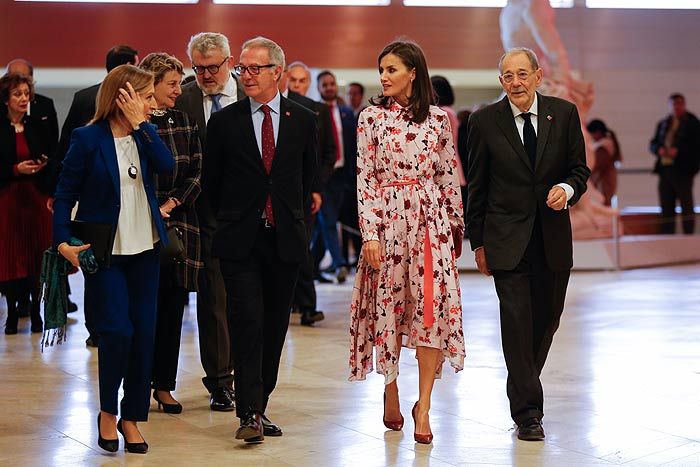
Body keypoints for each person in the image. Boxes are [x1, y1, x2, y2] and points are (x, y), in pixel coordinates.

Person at [466, 47, 590, 441]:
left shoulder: (564, 114)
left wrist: (568, 188)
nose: (515, 83)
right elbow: (477, 186)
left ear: (538, 76)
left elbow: (580, 169)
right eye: (507, 76)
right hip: (507, 241)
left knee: (546, 321)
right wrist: (479, 242)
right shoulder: (485, 121)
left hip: (552, 239)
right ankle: (528, 412)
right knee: (517, 324)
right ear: (500, 80)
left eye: (522, 74)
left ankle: (522, 381)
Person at [349, 40, 465, 445]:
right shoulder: (370, 118)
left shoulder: (438, 120)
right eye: (381, 69)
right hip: (388, 221)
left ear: (413, 72)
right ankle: (391, 388)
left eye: (392, 69)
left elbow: (448, 175)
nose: (384, 76)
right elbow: (365, 177)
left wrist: (455, 227)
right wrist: (370, 233)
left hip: (429, 222)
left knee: (430, 311)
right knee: (391, 308)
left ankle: (426, 404)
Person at [53, 65, 174, 454]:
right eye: (146, 96)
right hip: (106, 254)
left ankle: (132, 416)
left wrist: (142, 125)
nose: (152, 103)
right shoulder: (87, 138)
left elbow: (168, 168)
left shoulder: (146, 135)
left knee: (143, 334)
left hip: (146, 251)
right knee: (117, 332)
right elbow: (65, 193)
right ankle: (107, 411)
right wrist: (62, 243)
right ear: (123, 97)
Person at [204, 36, 317, 443]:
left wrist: (287, 216)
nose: (246, 76)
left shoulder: (304, 120)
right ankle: (248, 411)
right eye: (243, 69)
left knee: (274, 327)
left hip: (284, 240)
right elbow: (212, 185)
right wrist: (234, 219)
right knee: (247, 321)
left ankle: (260, 404)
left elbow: (306, 182)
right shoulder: (225, 121)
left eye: (255, 69)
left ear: (277, 73)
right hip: (240, 241)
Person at [175, 32, 245, 412]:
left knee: (250, 300)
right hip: (202, 216)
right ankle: (220, 380)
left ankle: (249, 374)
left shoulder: (251, 94)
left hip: (248, 214)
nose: (205, 75)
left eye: (212, 67)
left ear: (229, 62)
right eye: (198, 68)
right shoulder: (183, 99)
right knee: (213, 301)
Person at [55, 44, 140, 347]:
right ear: (128, 68)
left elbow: (64, 147)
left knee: (95, 266)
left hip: (90, 201)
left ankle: (96, 330)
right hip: (110, 200)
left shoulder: (82, 96)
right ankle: (115, 327)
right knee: (105, 264)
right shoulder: (120, 102)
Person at [139, 53, 203, 414]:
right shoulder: (136, 125)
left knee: (172, 310)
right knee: (142, 310)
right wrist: (152, 208)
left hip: (179, 226)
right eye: (172, 84)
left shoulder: (185, 121)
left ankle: (164, 385)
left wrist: (174, 202)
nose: (180, 91)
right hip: (140, 226)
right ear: (152, 83)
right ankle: (135, 385)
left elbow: (198, 169)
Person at [279, 65, 336, 326]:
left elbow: (326, 154)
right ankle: (293, 301)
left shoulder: (318, 110)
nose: (298, 84)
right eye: (294, 80)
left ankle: (307, 304)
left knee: (301, 246)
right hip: (280, 188)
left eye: (303, 80)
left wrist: (316, 187)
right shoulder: (275, 106)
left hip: (307, 192)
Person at [0, 73, 54, 334]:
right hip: (8, 199)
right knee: (11, 256)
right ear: (6, 99)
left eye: (26, 93)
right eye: (17, 94)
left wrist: (41, 165)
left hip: (35, 197)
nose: (23, 98)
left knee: (36, 256)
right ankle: (11, 313)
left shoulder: (36, 125)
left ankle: (36, 312)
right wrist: (14, 169)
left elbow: (50, 156)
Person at [313, 70, 356, 284]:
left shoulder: (347, 113)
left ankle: (312, 265)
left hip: (342, 177)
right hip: (323, 176)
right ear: (319, 88)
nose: (329, 87)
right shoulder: (312, 112)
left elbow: (353, 146)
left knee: (327, 222)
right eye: (325, 84)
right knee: (328, 220)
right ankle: (339, 264)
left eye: (332, 83)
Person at [649, 93, 700, 234]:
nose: (676, 107)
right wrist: (658, 149)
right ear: (670, 105)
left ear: (684, 104)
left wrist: (678, 151)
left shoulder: (692, 123)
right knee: (666, 204)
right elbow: (653, 143)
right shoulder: (664, 123)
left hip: (683, 170)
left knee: (686, 204)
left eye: (679, 103)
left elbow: (695, 146)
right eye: (674, 104)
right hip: (665, 168)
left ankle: (688, 234)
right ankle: (667, 235)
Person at [5, 59, 59, 145]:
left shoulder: (45, 105)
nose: (19, 82)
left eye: (22, 78)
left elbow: (53, 142)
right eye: (13, 78)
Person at [586, 119, 622, 206]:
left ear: (598, 132)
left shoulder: (604, 146)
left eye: (592, 134)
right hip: (605, 177)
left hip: (604, 179)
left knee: (604, 202)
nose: (592, 136)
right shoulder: (605, 143)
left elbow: (598, 164)